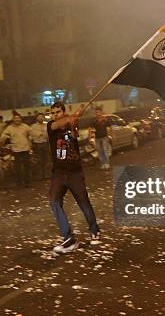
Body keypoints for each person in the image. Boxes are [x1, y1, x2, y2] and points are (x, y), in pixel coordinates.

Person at [47, 102, 100, 253]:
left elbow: (75, 136)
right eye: (53, 113)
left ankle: (94, 230)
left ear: (63, 112)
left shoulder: (71, 123)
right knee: (53, 201)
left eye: (58, 112)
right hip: (59, 173)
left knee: (84, 202)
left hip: (75, 172)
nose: (55, 115)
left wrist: (74, 122)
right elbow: (58, 124)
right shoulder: (51, 126)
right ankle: (69, 237)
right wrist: (74, 115)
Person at [0, 113, 32, 187]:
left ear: (21, 119)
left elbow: (31, 133)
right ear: (13, 119)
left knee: (27, 166)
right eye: (15, 118)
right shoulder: (9, 128)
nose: (17, 119)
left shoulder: (25, 126)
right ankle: (19, 183)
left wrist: (30, 142)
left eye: (18, 118)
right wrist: (4, 140)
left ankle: (27, 182)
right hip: (16, 150)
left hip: (25, 149)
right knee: (17, 168)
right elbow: (3, 136)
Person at [30, 113, 50, 179]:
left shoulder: (47, 125)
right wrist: (41, 134)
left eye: (42, 117)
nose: (40, 118)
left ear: (43, 118)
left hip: (45, 143)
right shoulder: (33, 126)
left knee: (47, 159)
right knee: (39, 160)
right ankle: (40, 175)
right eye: (39, 117)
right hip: (37, 144)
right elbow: (34, 134)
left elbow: (48, 134)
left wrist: (43, 134)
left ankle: (47, 174)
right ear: (36, 118)